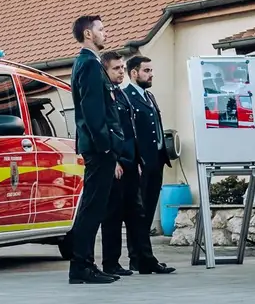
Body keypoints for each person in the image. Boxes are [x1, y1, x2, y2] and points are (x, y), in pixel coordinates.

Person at [67, 15, 121, 285]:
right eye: (101, 29)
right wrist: (105, 146)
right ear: (88, 34)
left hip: (98, 146)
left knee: (94, 206)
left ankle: (85, 264)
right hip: (99, 148)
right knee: (92, 207)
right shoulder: (88, 65)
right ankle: (81, 266)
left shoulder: (88, 64)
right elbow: (92, 111)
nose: (105, 33)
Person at [99, 51, 152, 276]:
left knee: (137, 214)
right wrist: (113, 160)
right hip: (117, 163)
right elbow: (105, 129)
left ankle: (143, 260)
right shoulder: (104, 95)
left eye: (122, 68)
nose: (121, 72)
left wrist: (137, 159)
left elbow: (130, 132)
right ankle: (111, 263)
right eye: (116, 68)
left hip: (131, 162)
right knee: (112, 216)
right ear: (105, 71)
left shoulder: (121, 95)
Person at [123, 55, 176, 274]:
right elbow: (128, 132)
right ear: (134, 73)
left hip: (156, 160)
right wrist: (134, 159)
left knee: (148, 208)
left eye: (151, 70)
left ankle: (140, 258)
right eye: (146, 70)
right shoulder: (126, 97)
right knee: (139, 212)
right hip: (141, 162)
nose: (151, 74)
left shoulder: (149, 96)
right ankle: (142, 257)